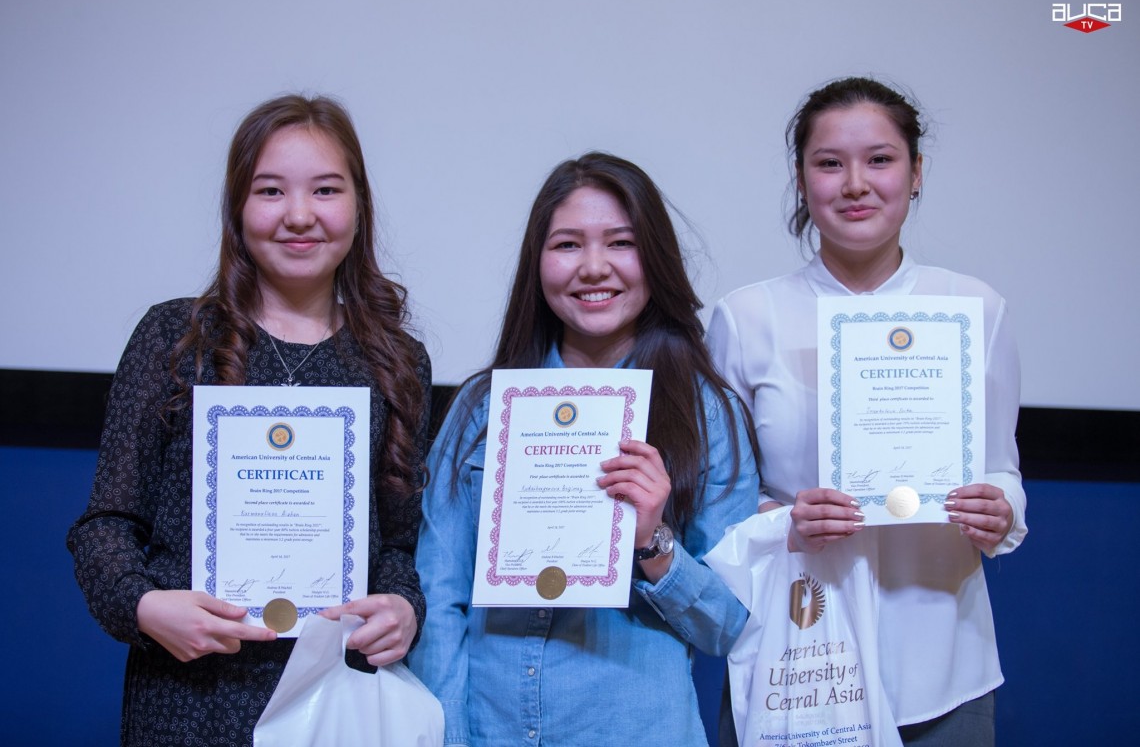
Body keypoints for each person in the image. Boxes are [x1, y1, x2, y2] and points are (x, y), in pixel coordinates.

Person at [67, 94, 432, 745]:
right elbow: (105, 525)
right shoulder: (175, 337)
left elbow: (398, 546)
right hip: (186, 700)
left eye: (326, 189)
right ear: (238, 207)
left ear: (359, 206)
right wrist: (143, 605)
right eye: (270, 190)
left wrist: (404, 607)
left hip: (333, 700)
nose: (299, 214)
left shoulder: (395, 361)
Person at [707, 77, 1027, 745]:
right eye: (829, 163)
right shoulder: (746, 317)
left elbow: (1002, 468)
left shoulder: (974, 309)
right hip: (798, 665)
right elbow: (722, 503)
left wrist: (1000, 510)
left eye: (880, 159)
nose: (855, 183)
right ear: (802, 181)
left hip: (943, 660)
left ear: (916, 173)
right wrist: (786, 520)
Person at [409, 152, 761, 746]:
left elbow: (728, 626)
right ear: (537, 261)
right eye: (568, 245)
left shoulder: (705, 412)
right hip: (492, 729)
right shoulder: (482, 407)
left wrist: (654, 542)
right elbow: (439, 595)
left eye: (621, 243)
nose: (594, 268)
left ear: (655, 257)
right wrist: (448, 736)